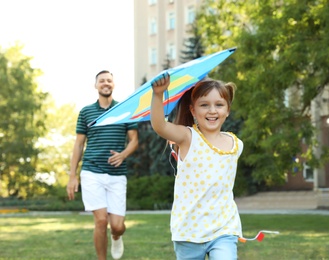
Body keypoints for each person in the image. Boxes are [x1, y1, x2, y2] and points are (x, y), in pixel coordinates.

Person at [150, 72, 243, 260]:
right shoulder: (187, 137)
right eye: (204, 105)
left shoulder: (236, 144)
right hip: (188, 231)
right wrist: (158, 94)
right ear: (193, 110)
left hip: (223, 228)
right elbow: (160, 126)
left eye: (219, 105)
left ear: (227, 110)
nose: (212, 111)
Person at [67, 70, 138, 260]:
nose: (105, 83)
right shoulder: (86, 112)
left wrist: (123, 154)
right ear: (96, 85)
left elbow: (134, 141)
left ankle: (116, 236)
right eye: (102, 81)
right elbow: (79, 144)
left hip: (117, 175)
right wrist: (72, 175)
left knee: (116, 226)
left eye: (109, 80)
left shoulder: (125, 109)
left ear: (113, 85)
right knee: (100, 221)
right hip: (91, 171)